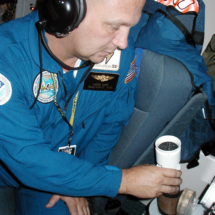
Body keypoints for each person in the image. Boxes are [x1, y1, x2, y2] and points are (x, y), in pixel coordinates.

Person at [0, 0, 182, 214]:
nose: (123, 42)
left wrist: (79, 181)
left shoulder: (118, 55)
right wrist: (121, 181)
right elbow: (28, 157)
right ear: (67, 11)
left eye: (130, 26)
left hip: (66, 168)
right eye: (114, 26)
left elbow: (111, 123)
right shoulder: (6, 58)